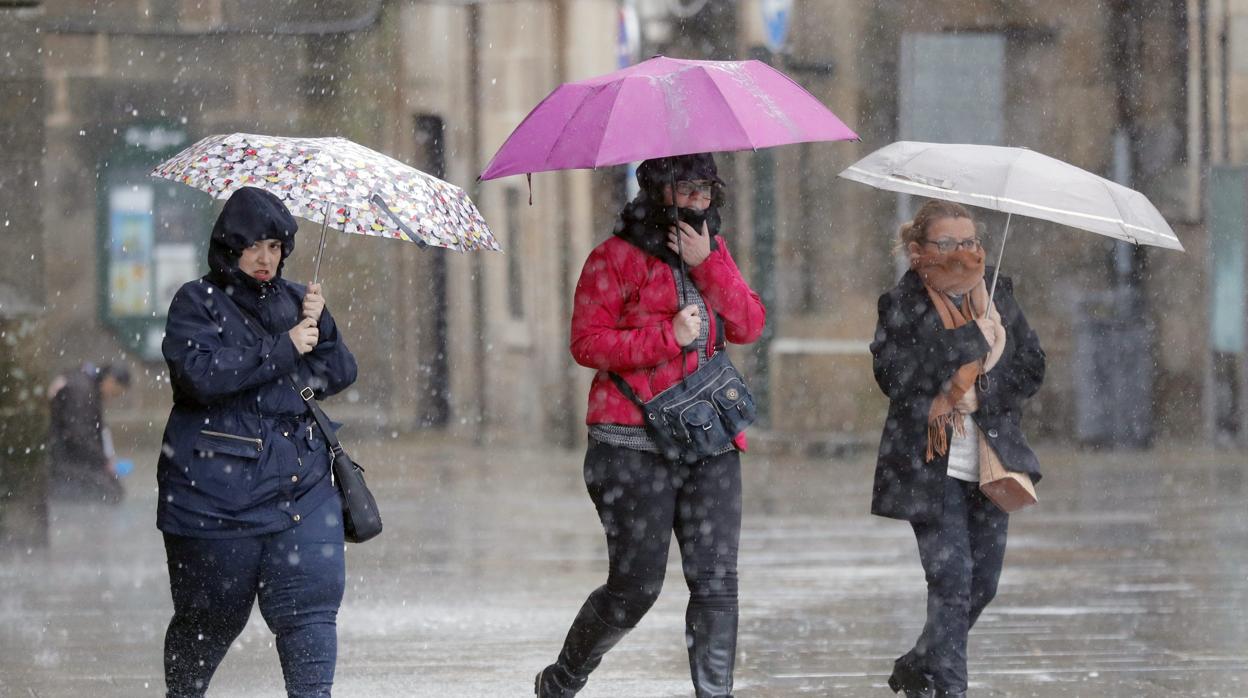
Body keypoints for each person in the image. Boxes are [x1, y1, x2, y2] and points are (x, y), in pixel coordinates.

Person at [535, 153, 766, 698]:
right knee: (635, 587)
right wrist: (669, 337)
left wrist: (709, 264)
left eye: (707, 190)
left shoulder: (713, 251)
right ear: (658, 189)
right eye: (687, 189)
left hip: (708, 439)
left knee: (716, 582)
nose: (699, 201)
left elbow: (750, 324)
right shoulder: (612, 259)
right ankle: (564, 677)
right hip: (629, 445)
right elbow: (587, 344)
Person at [156, 186, 358, 698]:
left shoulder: (296, 301)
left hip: (302, 489)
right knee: (208, 621)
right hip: (215, 498)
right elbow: (198, 377)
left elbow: (337, 373)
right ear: (228, 248)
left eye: (274, 245)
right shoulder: (195, 302)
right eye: (253, 247)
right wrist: (282, 348)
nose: (265, 258)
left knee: (311, 611)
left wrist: (321, 322)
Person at [870, 200, 1046, 698]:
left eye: (968, 242)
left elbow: (1032, 366)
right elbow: (894, 376)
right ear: (917, 251)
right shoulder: (900, 304)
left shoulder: (998, 295)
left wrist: (982, 391)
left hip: (990, 462)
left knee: (981, 585)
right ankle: (949, 690)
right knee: (950, 583)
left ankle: (918, 665)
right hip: (929, 465)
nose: (960, 253)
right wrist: (973, 340)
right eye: (945, 244)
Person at [48, 361, 130, 504]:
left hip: (70, 457)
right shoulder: (81, 391)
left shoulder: (85, 384)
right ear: (110, 381)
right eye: (116, 393)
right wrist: (104, 461)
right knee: (112, 492)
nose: (112, 398)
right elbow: (79, 435)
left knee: (112, 487)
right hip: (63, 462)